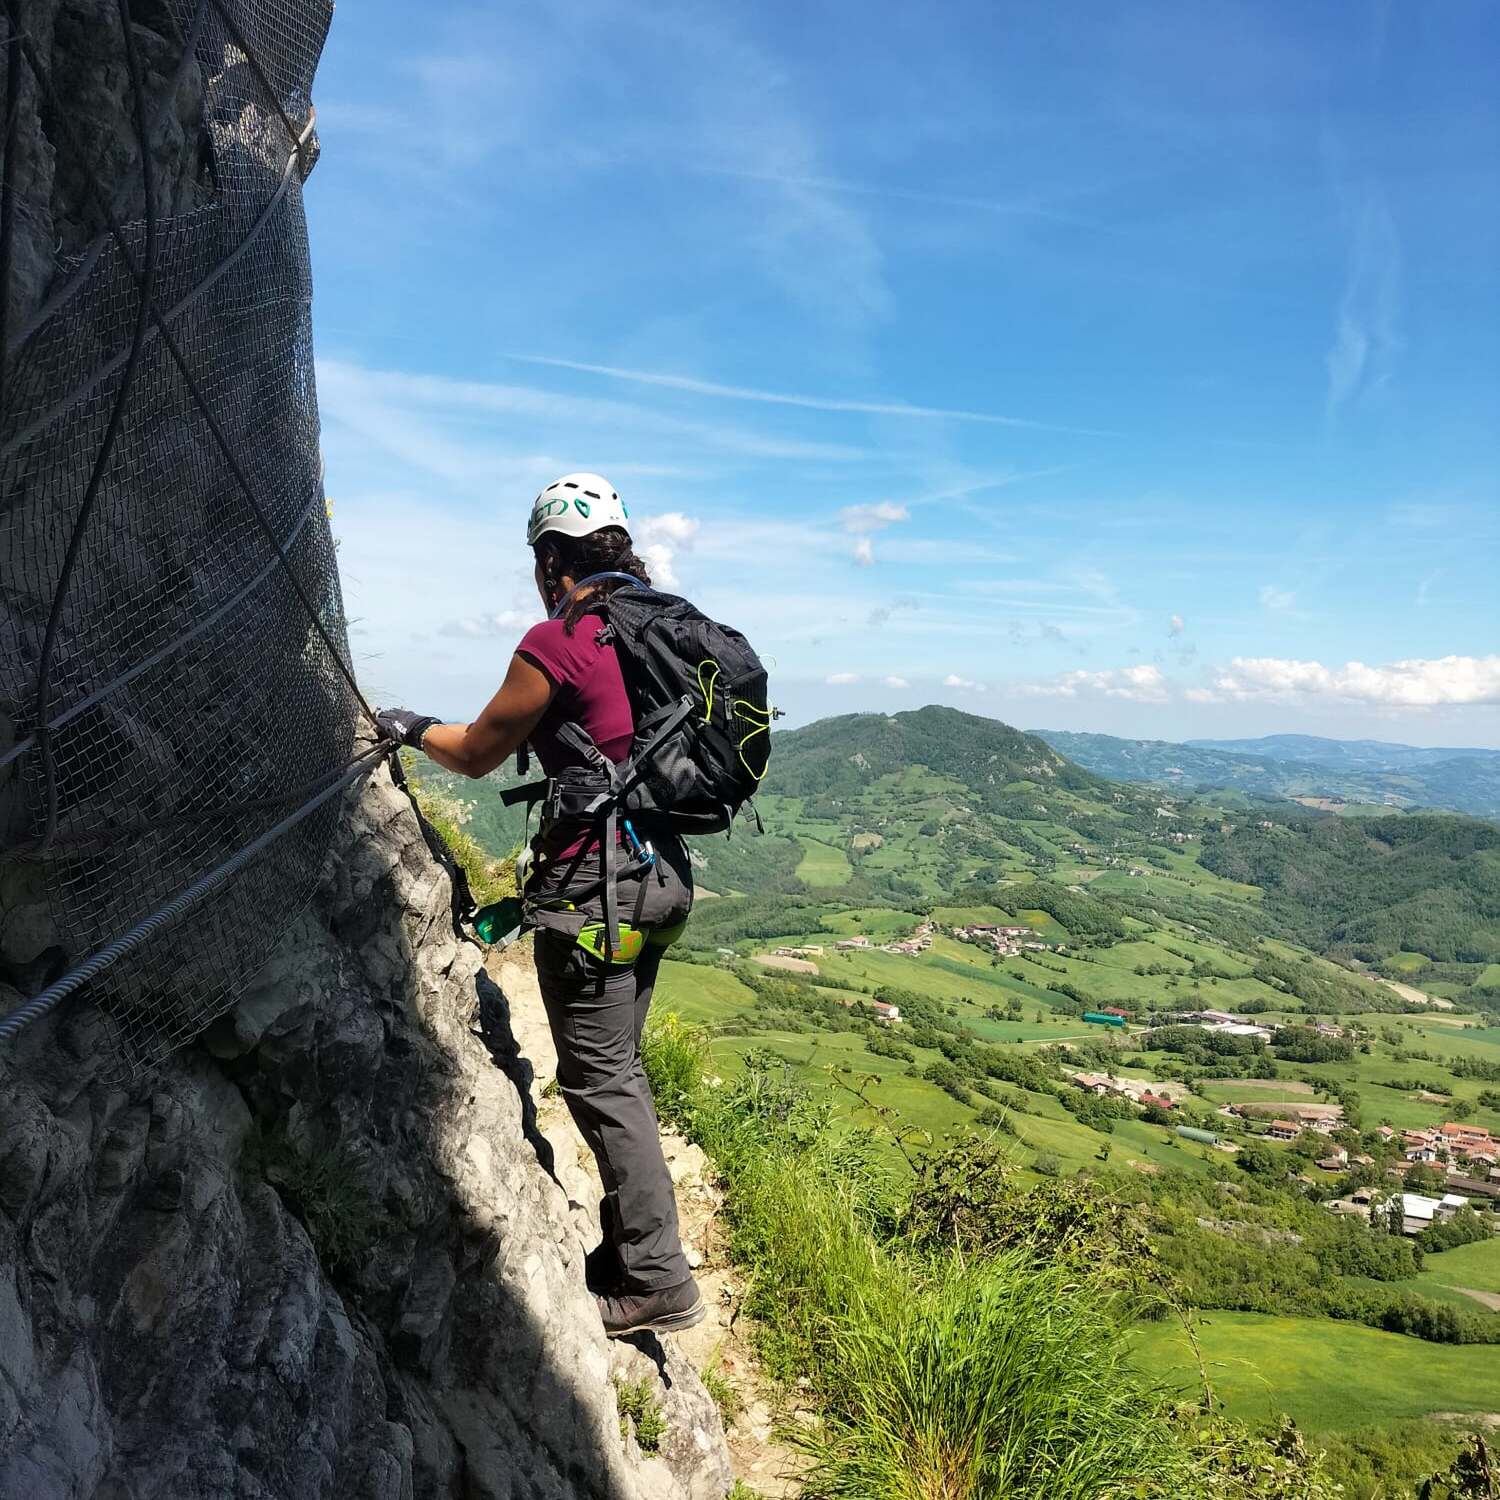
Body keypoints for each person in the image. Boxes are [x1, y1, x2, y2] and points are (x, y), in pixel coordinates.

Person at [376, 473, 704, 1339]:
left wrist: (411, 727)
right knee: (618, 1069)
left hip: (597, 887)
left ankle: (656, 1275)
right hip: (661, 875)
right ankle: (632, 1244)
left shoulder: (559, 640)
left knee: (601, 1079)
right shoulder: (659, 631)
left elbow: (481, 751)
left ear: (550, 557)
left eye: (538, 559)